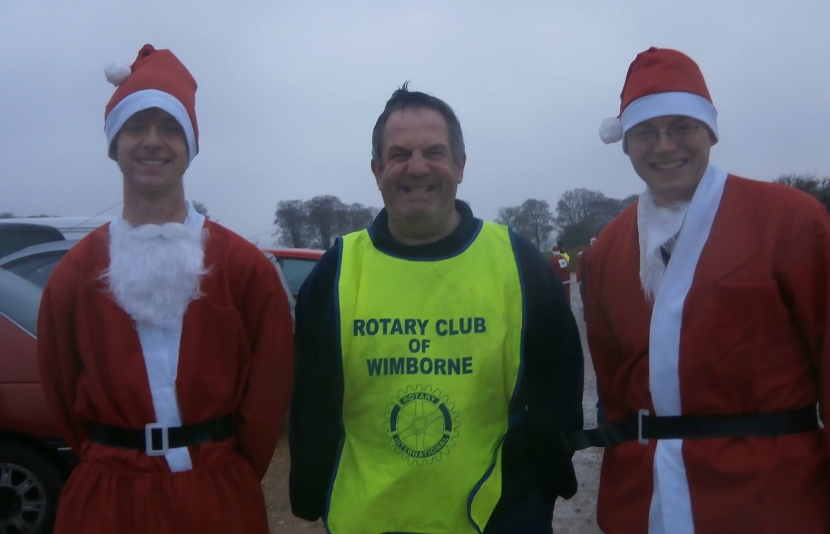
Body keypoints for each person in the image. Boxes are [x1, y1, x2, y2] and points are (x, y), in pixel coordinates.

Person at [289, 84, 583, 533]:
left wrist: (536, 494)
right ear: (376, 169)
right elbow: (311, 403)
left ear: (461, 165)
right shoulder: (338, 269)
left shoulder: (518, 263)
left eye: (434, 152)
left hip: (495, 520)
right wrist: (311, 494)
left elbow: (557, 396)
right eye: (400, 153)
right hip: (367, 521)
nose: (418, 167)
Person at [37, 44, 294, 534]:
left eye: (170, 127)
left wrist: (225, 474)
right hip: (105, 500)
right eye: (136, 126)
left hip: (216, 497)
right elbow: (60, 387)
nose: (152, 141)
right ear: (114, 142)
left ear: (191, 145)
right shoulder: (74, 274)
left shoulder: (245, 270)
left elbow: (267, 401)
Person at [584, 46, 830, 533]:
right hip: (647, 499)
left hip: (771, 498)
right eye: (645, 133)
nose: (664, 146)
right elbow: (615, 391)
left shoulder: (792, 221)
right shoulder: (608, 250)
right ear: (626, 144)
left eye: (681, 127)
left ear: (709, 132)